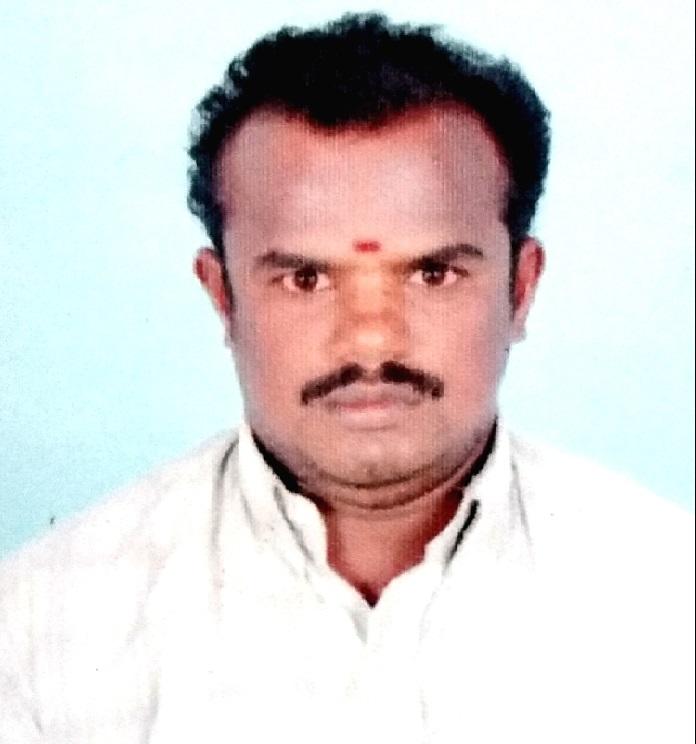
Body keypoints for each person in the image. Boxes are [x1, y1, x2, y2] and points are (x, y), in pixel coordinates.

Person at [1, 13, 692, 743]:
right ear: (222, 296)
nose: (370, 337)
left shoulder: (670, 601)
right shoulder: (39, 631)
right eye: (306, 278)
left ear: (520, 289)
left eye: (432, 273)